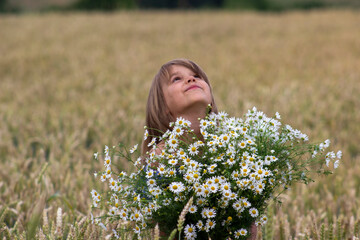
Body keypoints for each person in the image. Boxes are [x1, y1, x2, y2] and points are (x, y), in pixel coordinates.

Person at [141, 59, 257, 239]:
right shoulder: (159, 160)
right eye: (176, 79)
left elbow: (248, 222)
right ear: (163, 107)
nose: (190, 79)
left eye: (196, 76)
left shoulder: (231, 147)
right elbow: (158, 230)